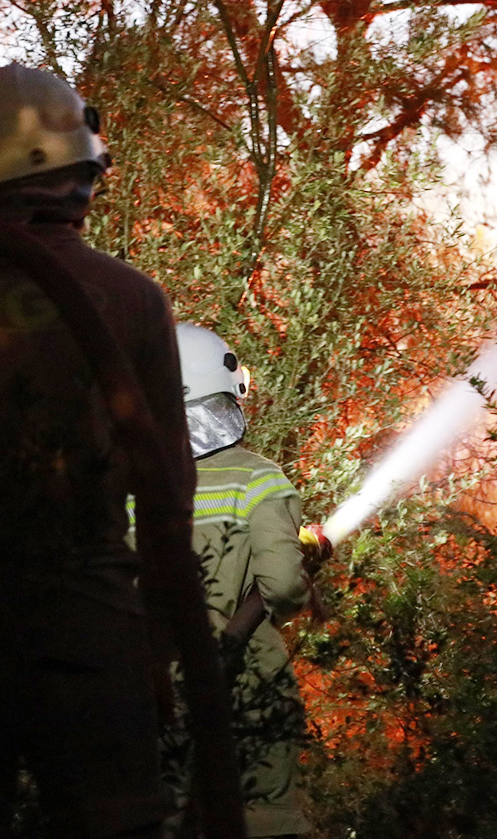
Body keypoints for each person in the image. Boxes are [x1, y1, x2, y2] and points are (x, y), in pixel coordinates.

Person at [0, 64, 237, 839]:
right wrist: (156, 651)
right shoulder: (130, 298)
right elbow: (168, 490)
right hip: (89, 634)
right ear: (74, 172)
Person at [162, 323, 317, 838]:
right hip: (248, 680)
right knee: (260, 814)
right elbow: (281, 587)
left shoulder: (138, 490)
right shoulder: (258, 477)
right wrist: (306, 565)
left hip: (156, 683)